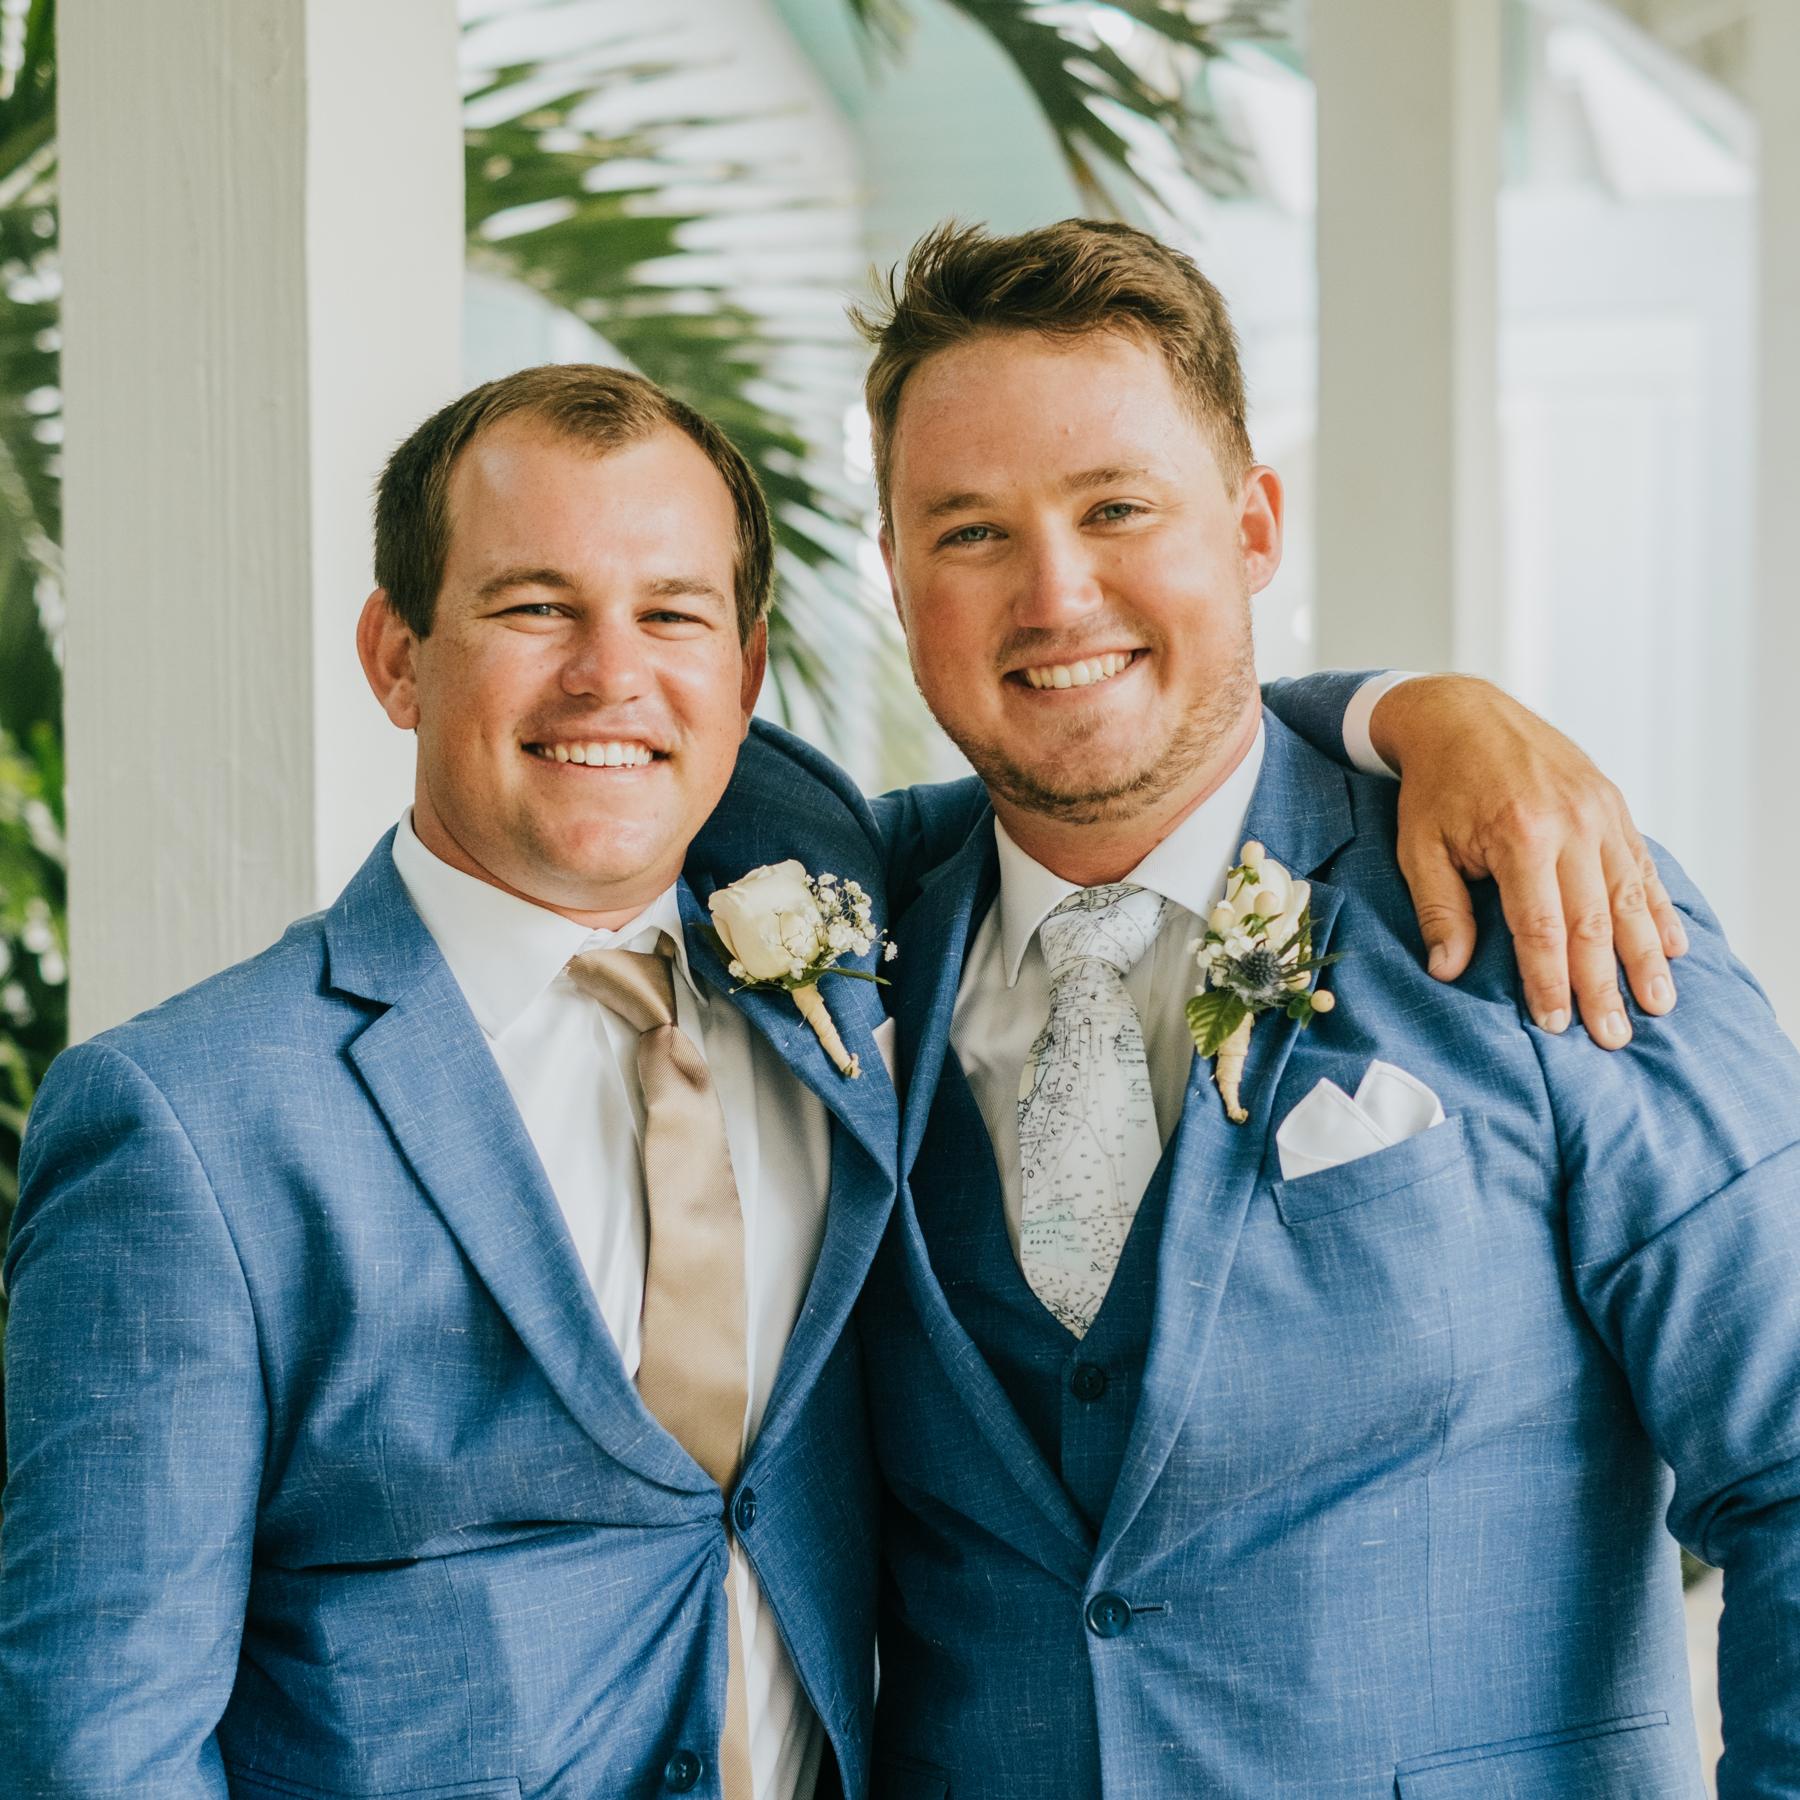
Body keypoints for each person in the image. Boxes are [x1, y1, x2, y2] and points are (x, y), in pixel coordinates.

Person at [0, 359, 1682, 1798]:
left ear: (744, 674)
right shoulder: (188, 1120)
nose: (609, 675)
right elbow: (97, 1740)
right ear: (395, 654)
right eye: (531, 608)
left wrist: (1415, 713)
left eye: (672, 614)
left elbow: (1129, 747)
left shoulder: (837, 943)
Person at [852, 219, 1800, 1797]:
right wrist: (1398, 702)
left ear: (1253, 526)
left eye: (1117, 508)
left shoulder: (1537, 885)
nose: (1055, 592)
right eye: (969, 531)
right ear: (896, 577)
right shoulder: (851, 925)